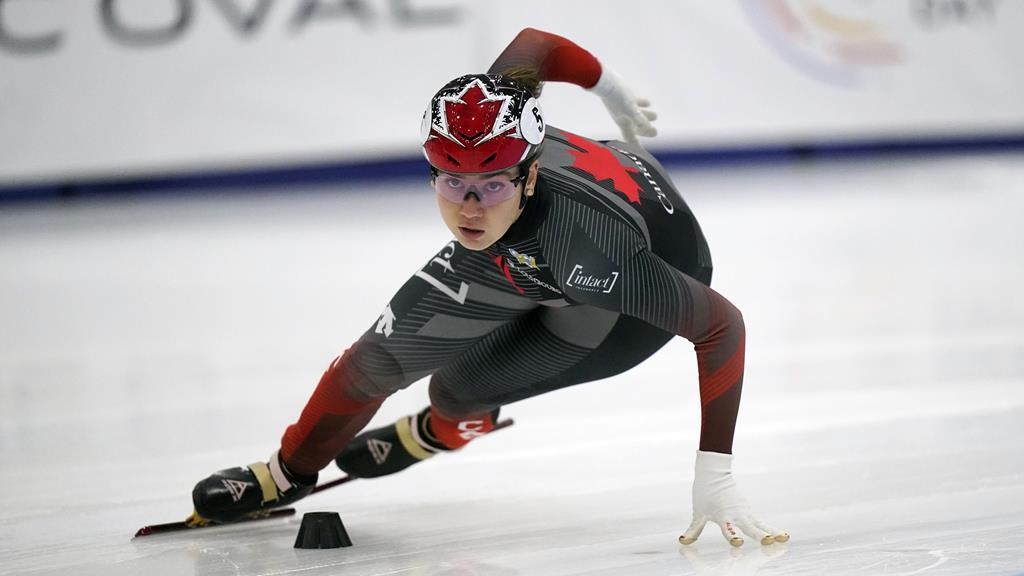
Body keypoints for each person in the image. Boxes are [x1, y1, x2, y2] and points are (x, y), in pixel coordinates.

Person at [192, 27, 788, 548]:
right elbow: (539, 44)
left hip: (629, 290)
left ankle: (443, 427)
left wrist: (715, 470)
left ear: (528, 174)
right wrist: (608, 86)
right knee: (373, 361)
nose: (469, 209)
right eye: (451, 183)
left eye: (491, 186)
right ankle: (283, 474)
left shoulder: (584, 250)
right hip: (536, 240)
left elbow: (721, 325)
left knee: (458, 389)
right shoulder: (493, 103)